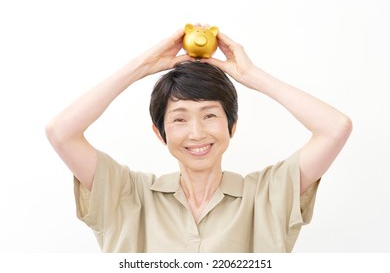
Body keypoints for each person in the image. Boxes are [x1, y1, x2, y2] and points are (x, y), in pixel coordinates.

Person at [45, 26, 352, 253]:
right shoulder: (126, 196)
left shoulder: (267, 196)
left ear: (232, 127)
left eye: (209, 115)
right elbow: (61, 132)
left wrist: (251, 75)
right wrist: (141, 66)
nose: (196, 133)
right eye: (179, 118)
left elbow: (335, 127)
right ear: (160, 133)